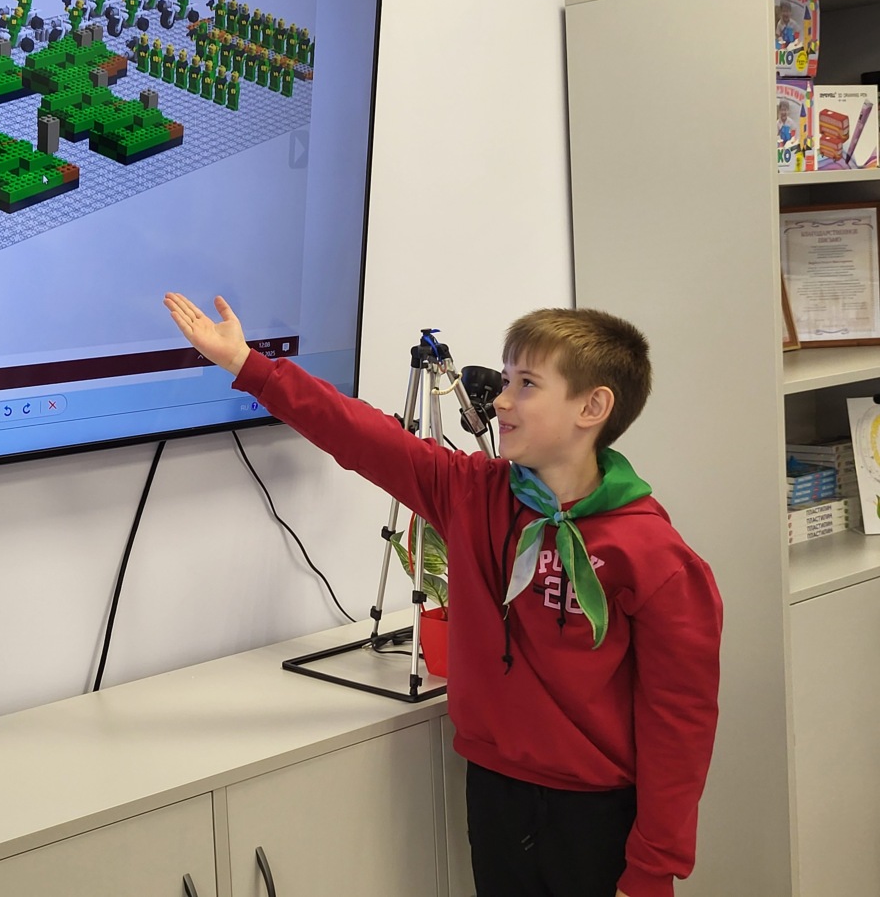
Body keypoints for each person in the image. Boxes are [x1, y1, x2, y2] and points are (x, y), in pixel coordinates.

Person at [162, 292, 723, 897]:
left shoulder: (655, 556)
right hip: (494, 788)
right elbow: (363, 435)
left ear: (593, 406)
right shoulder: (474, 493)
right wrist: (248, 364)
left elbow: (680, 720)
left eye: (527, 384)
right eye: (505, 379)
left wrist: (652, 867)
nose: (501, 399)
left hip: (596, 813)